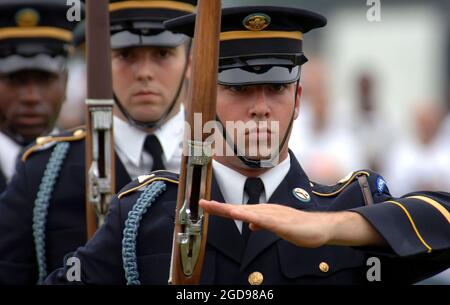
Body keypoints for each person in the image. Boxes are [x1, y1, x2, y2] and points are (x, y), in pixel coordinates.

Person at [45, 5, 450, 285]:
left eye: (276, 88)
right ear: (196, 100)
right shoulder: (144, 215)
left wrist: (334, 227)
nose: (260, 108)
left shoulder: (349, 204)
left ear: (298, 98)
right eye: (238, 89)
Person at [0, 0, 196, 284]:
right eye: (126, 55)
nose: (144, 72)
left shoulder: (225, 163)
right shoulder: (41, 174)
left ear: (190, 62)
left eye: (162, 54)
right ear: (101, 62)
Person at [0, 0, 78, 193]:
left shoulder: (91, 167)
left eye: (44, 79)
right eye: (16, 79)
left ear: (66, 82)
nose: (31, 97)